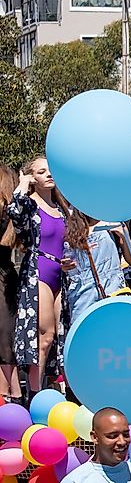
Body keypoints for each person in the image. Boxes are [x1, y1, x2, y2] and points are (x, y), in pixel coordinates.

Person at [8, 157, 67, 393]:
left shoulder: (62, 209)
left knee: (57, 338)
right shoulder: (29, 205)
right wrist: (23, 184)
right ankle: (34, 394)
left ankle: (51, 389)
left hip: (61, 274)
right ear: (34, 178)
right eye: (41, 172)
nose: (48, 175)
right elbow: (14, 212)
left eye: (50, 170)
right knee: (44, 336)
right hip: (38, 271)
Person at [62, 210, 127, 324]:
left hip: (113, 289)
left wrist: (124, 235)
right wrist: (65, 266)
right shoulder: (71, 226)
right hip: (83, 293)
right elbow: (66, 266)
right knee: (84, 334)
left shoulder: (112, 222)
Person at [0, 168, 20, 401]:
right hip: (6, 276)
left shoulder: (10, 214)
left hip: (4, 278)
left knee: (6, 339)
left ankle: (11, 393)